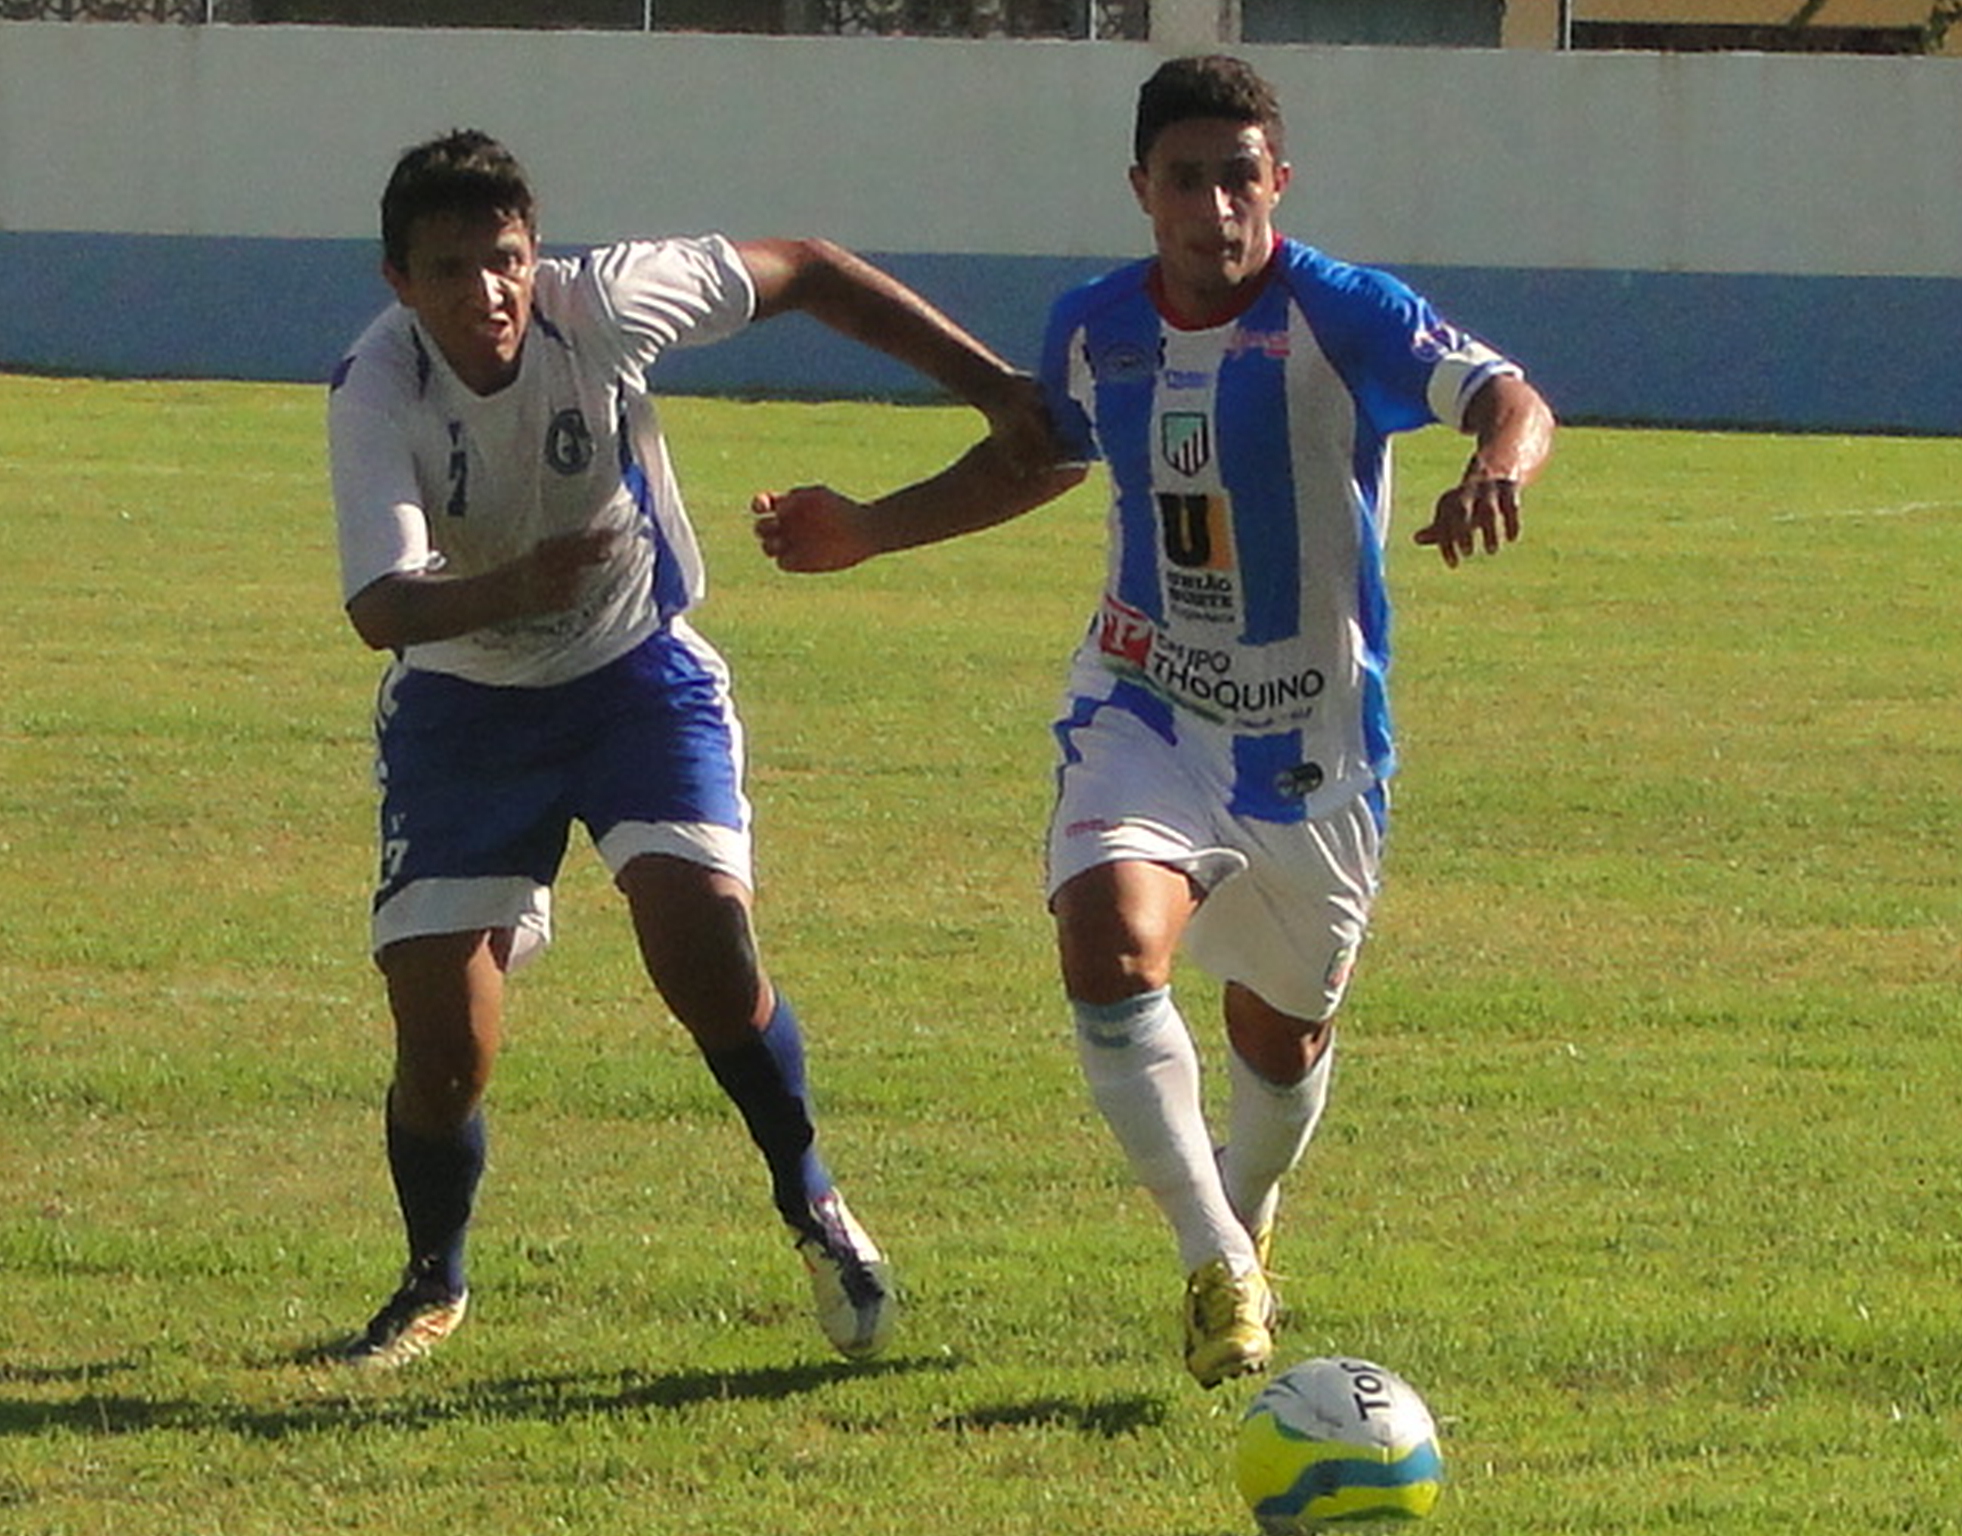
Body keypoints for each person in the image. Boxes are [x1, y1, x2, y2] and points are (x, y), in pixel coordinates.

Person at [750, 55, 1555, 1388]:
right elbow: (1037, 455)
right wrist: (873, 530)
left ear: (1277, 183)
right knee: (1110, 940)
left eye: (1241, 174)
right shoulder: (1094, 326)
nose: (1216, 204)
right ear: (1143, 190)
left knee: (1278, 1043)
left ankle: (1245, 1211)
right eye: (1187, 177)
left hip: (1314, 746)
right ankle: (1218, 1260)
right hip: (1146, 703)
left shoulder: (1343, 312)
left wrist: (1494, 467)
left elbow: (1511, 399)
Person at [327, 128, 1048, 1369]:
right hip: (461, 706)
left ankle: (811, 1196)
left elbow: (811, 268)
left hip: (634, 676)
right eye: (449, 269)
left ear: (535, 254)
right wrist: (518, 586)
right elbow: (381, 610)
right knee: (445, 1054)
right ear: (399, 281)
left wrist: (993, 389)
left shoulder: (600, 305)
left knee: (702, 936)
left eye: (504, 260)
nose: (485, 292)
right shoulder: (377, 388)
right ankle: (431, 1279)